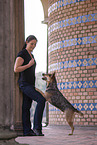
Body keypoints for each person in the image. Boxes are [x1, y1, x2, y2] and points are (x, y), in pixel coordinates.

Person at [14, 35, 46, 136]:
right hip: (24, 84)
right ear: (26, 42)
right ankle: (37, 128)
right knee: (41, 100)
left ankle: (27, 131)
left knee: (26, 107)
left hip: (30, 84)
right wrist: (28, 65)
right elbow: (16, 69)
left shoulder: (31, 55)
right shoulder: (22, 53)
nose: (33, 46)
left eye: (35, 44)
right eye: (32, 43)